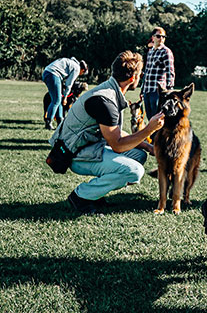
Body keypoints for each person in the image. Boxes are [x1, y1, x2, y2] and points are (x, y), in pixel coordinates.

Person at [49, 51, 165, 214]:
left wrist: (147, 146)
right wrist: (149, 129)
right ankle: (81, 196)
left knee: (139, 155)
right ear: (133, 78)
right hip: (71, 154)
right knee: (134, 171)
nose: (141, 77)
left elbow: (114, 133)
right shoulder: (105, 101)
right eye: (140, 74)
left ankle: (96, 194)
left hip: (87, 146)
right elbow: (117, 145)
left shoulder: (110, 90)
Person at [42, 57, 88, 130]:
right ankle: (48, 122)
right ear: (82, 70)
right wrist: (66, 97)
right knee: (56, 100)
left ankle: (60, 122)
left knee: (58, 99)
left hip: (48, 72)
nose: (80, 74)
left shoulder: (72, 63)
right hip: (53, 74)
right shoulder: (77, 68)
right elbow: (69, 84)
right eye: (82, 73)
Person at [139, 27, 175, 120]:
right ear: (153, 37)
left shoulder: (166, 52)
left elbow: (170, 71)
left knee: (157, 119)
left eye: (163, 37)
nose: (161, 39)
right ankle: (151, 135)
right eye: (159, 36)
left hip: (158, 91)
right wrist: (142, 89)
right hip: (147, 90)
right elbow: (147, 72)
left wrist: (169, 90)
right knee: (149, 119)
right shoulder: (150, 52)